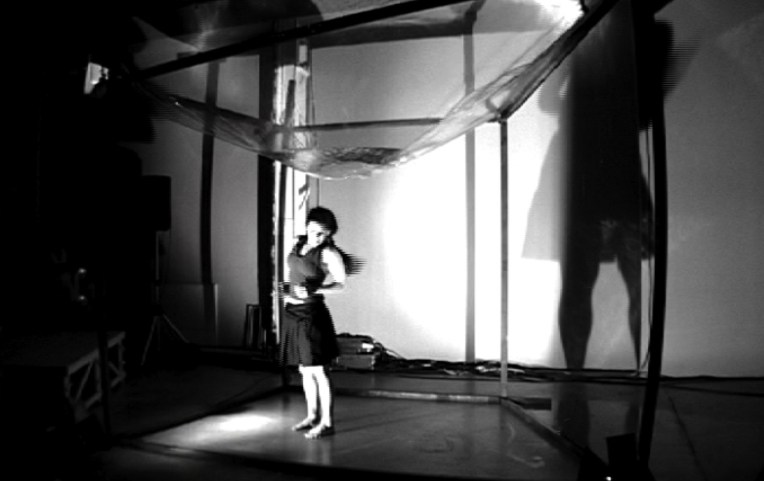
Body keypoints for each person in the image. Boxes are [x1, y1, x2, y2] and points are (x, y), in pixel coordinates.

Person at [279, 206, 354, 439]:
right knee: (304, 369)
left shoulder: (329, 253)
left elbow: (341, 284)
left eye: (322, 234)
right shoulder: (298, 244)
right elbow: (293, 273)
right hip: (292, 311)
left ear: (329, 234)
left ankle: (327, 422)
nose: (316, 237)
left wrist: (316, 289)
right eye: (313, 231)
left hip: (311, 313)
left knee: (319, 370)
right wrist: (286, 290)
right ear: (307, 227)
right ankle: (312, 416)